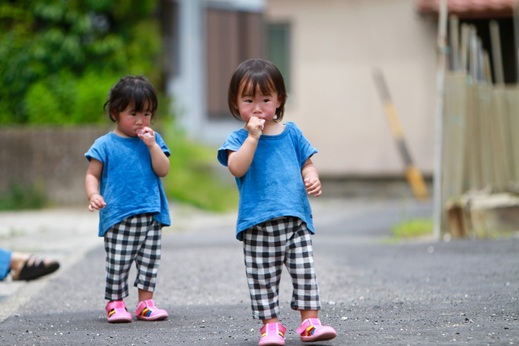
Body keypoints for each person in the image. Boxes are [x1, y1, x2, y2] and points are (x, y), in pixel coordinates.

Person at [217, 58, 337, 345]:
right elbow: (237, 168)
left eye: (266, 99)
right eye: (248, 100)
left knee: (305, 271)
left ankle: (309, 321)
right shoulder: (238, 138)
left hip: (295, 220)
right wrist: (253, 138)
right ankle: (270, 326)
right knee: (262, 278)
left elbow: (307, 163)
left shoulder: (292, 133)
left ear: (279, 100)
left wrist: (311, 176)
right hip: (257, 223)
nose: (258, 108)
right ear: (236, 103)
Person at [84, 76, 171, 323]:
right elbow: (92, 174)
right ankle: (115, 303)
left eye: (147, 113)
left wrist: (153, 146)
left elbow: (163, 169)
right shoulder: (104, 144)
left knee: (149, 262)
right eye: (133, 113)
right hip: (118, 214)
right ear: (115, 112)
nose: (141, 120)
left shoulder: (153, 140)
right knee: (118, 262)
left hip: (151, 213)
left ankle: (145, 303)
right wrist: (94, 194)